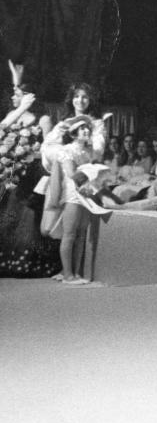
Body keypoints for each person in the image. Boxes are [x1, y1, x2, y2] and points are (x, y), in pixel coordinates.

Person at [0, 68, 59, 277]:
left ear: (28, 97)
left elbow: (49, 148)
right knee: (9, 217)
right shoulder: (10, 115)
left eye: (18, 94)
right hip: (12, 175)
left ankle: (29, 263)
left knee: (29, 218)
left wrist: (30, 155)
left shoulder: (42, 119)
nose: (13, 97)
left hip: (32, 173)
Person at [45, 115, 112, 283]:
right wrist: (91, 173)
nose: (86, 131)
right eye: (82, 128)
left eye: (87, 128)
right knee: (69, 234)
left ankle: (75, 272)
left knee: (81, 234)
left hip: (86, 194)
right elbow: (71, 174)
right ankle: (68, 274)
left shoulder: (89, 152)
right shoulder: (66, 150)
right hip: (73, 195)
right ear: (73, 133)